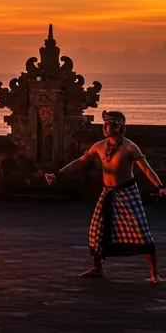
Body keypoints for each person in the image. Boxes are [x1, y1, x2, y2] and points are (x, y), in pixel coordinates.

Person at [45, 110, 165, 283]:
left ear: (118, 127)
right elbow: (80, 162)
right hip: (107, 192)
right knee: (97, 229)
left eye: (107, 124)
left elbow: (146, 169)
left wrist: (160, 186)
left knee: (141, 231)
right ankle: (97, 268)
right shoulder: (99, 146)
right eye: (104, 124)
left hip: (127, 192)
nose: (104, 127)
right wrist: (58, 174)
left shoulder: (130, 147)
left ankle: (154, 274)